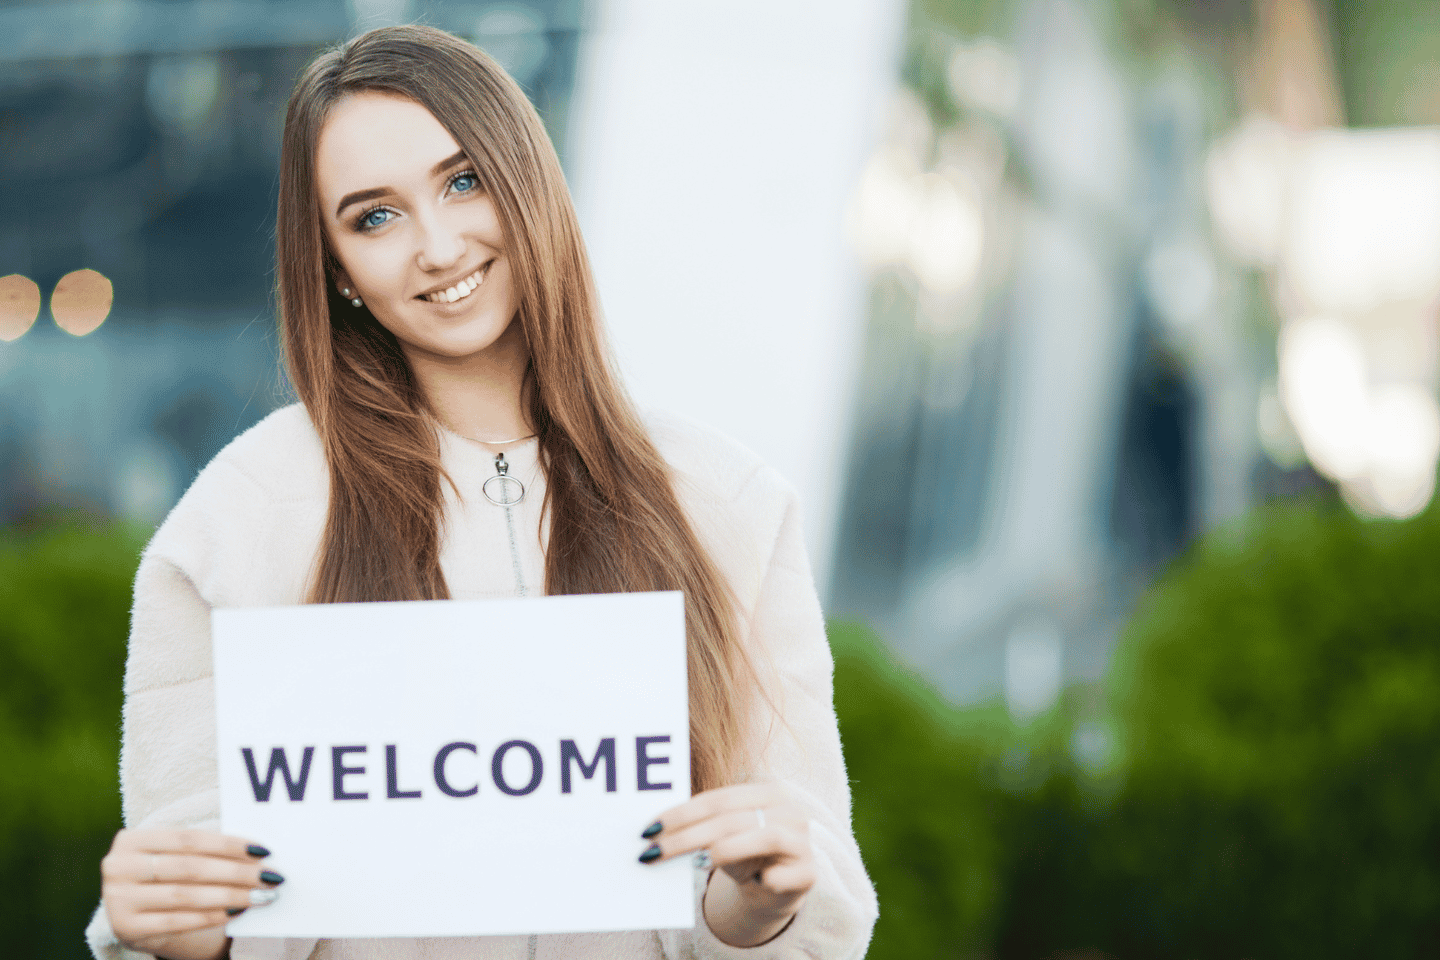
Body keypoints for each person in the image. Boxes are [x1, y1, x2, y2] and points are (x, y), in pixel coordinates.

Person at [89, 24, 876, 960]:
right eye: (373, 216)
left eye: (464, 181)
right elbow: (203, 901)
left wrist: (757, 910)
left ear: (527, 180)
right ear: (335, 268)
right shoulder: (233, 526)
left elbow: (815, 909)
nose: (436, 245)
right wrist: (173, 936)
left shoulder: (729, 503)